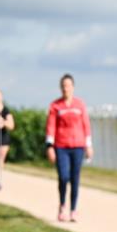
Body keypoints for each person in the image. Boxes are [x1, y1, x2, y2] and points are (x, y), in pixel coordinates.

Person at [46, 74, 92, 222]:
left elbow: (86, 125)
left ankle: (73, 209)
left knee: (75, 178)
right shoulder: (55, 106)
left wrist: (88, 145)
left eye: (68, 85)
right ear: (61, 88)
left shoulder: (80, 105)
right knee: (63, 176)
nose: (66, 88)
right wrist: (50, 146)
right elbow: (51, 126)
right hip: (61, 146)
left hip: (78, 145)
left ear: (73, 87)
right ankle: (62, 205)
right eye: (64, 85)